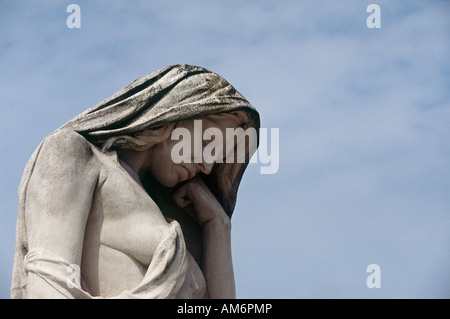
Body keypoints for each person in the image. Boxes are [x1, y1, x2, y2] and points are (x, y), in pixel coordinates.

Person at [11, 64, 260, 299]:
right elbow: (47, 287)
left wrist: (217, 224)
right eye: (207, 144)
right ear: (173, 115)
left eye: (216, 159)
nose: (206, 166)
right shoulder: (71, 154)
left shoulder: (176, 219)